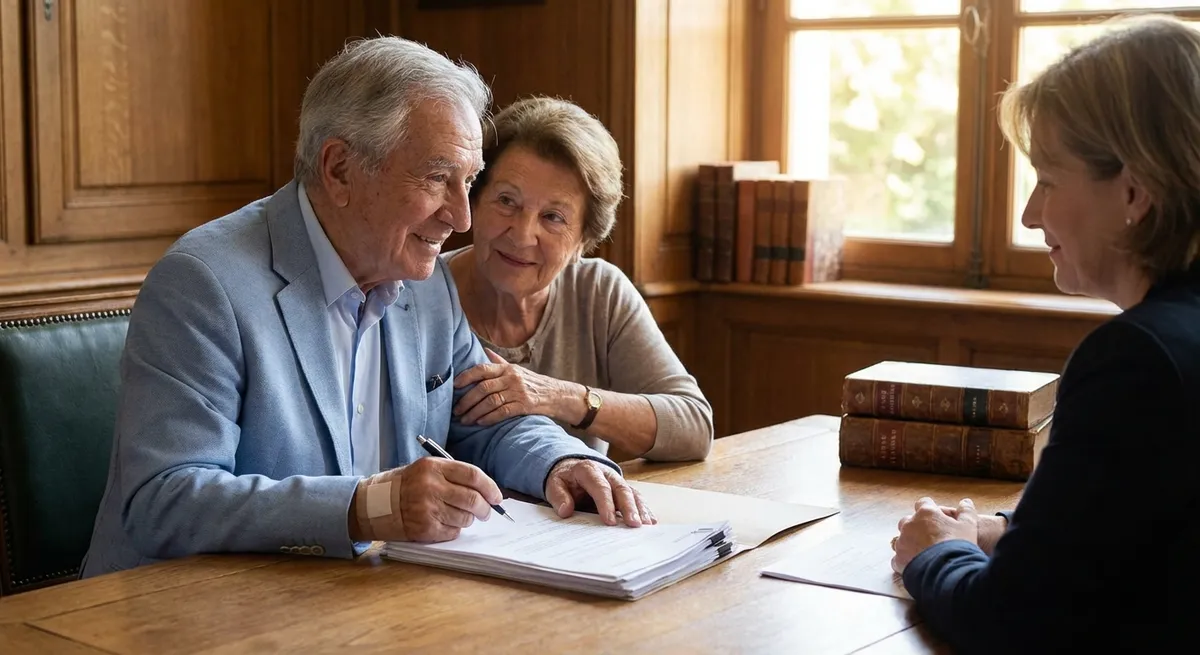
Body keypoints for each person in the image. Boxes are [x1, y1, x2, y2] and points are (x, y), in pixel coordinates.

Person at [81, 38, 655, 578]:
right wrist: (366, 506)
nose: (462, 218)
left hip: (351, 601)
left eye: (469, 182)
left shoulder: (425, 281)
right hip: (176, 616)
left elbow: (487, 418)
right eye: (436, 179)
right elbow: (164, 500)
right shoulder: (205, 283)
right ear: (339, 170)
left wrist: (562, 463)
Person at [888, 14, 1200, 653]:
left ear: (1134, 190)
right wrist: (1008, 531)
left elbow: (1010, 622)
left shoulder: (1137, 359)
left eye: (1049, 181)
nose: (1030, 215)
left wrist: (937, 553)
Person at [443, 96, 713, 462]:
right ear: (474, 198)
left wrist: (560, 397)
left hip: (572, 517)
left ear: (584, 241)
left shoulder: (598, 291)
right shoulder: (422, 293)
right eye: (507, 201)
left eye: (553, 217)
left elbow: (693, 427)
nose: (522, 235)